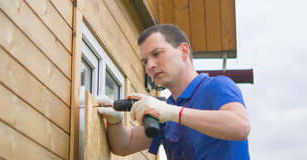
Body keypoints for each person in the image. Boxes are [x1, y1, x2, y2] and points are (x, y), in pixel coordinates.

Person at [96, 24, 250, 159]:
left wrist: (173, 113)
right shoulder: (166, 110)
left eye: (157, 54)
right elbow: (125, 145)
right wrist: (115, 120)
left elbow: (241, 126)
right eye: (145, 61)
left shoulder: (217, 86)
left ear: (183, 51)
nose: (149, 65)